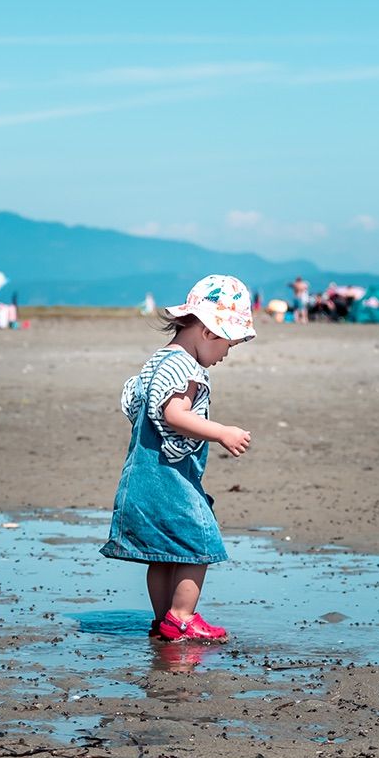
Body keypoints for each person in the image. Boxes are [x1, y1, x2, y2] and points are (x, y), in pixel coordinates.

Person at [102, 274, 255, 643]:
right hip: (168, 476)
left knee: (162, 552)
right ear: (207, 332)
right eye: (228, 345)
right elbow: (174, 414)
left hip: (141, 472)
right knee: (197, 542)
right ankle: (182, 616)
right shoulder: (185, 367)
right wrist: (221, 432)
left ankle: (163, 620)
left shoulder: (158, 361)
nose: (225, 355)